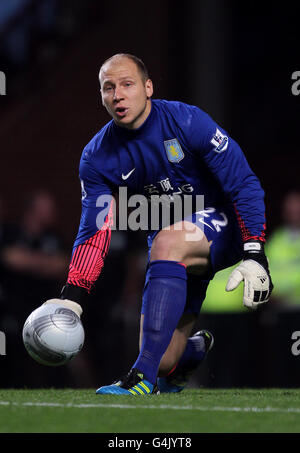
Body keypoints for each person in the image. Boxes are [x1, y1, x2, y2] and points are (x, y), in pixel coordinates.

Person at [42, 53, 273, 395]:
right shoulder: (96, 157)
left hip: (224, 228)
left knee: (167, 239)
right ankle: (188, 354)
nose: (117, 95)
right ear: (102, 97)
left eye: (127, 84)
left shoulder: (187, 121)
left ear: (148, 87)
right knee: (163, 357)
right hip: (172, 250)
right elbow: (95, 230)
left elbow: (243, 183)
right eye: (108, 88)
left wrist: (255, 251)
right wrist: (73, 296)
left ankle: (140, 378)